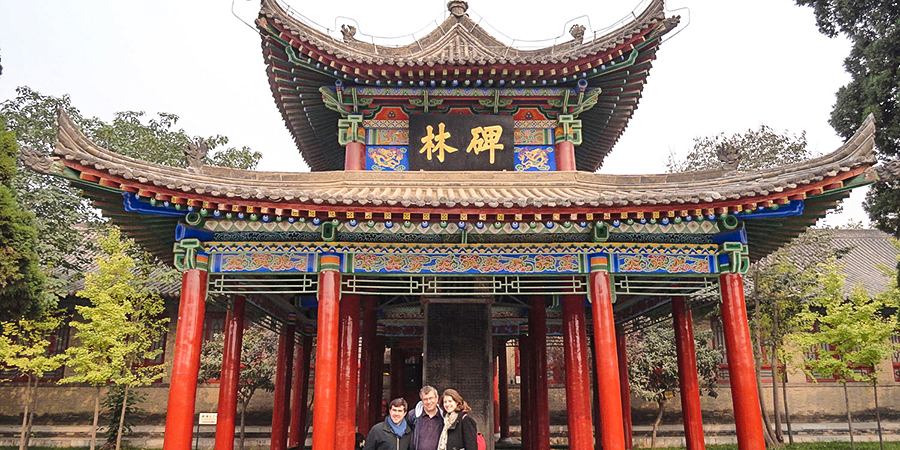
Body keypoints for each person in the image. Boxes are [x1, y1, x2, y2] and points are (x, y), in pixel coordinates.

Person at [406, 385, 444, 450]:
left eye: (431, 398)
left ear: (437, 398)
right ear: (422, 400)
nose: (429, 402)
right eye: (425, 399)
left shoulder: (444, 417)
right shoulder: (413, 416)